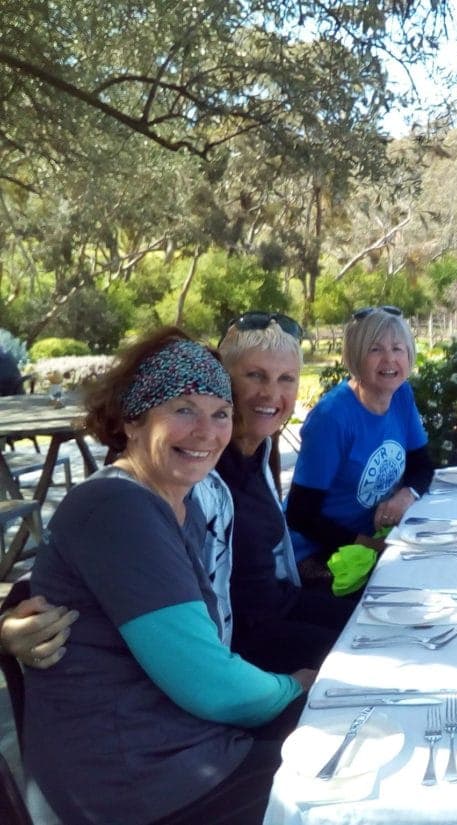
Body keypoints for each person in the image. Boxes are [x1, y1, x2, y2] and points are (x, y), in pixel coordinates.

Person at [23, 329, 315, 825]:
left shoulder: (178, 503)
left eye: (220, 413)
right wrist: (295, 686)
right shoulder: (117, 507)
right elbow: (210, 686)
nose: (206, 431)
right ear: (132, 420)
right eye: (182, 409)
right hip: (143, 781)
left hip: (180, 745)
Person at [210, 312, 357, 671]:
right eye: (255, 375)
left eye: (286, 379)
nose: (271, 393)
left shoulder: (259, 451)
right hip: (241, 646)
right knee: (366, 659)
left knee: (380, 623)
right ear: (224, 381)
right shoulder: (202, 464)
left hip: (282, 606)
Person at [285, 306, 433, 567]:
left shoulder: (400, 394)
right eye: (375, 349)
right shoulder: (332, 417)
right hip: (321, 554)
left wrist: (407, 494)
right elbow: (301, 515)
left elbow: (422, 463)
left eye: (397, 348)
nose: (389, 360)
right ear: (355, 356)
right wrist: (373, 547)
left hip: (374, 540)